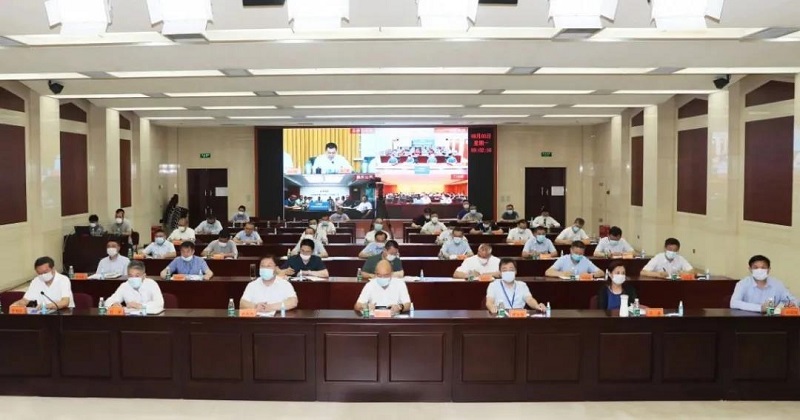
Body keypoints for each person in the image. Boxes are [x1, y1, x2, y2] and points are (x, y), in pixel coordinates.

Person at [730, 255, 798, 313]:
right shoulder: (743, 284)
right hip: (748, 320)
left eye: (763, 267)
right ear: (750, 269)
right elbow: (734, 303)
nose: (759, 270)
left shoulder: (777, 284)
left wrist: (784, 306)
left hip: (772, 320)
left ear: (768, 269)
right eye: (756, 268)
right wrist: (760, 308)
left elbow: (793, 300)